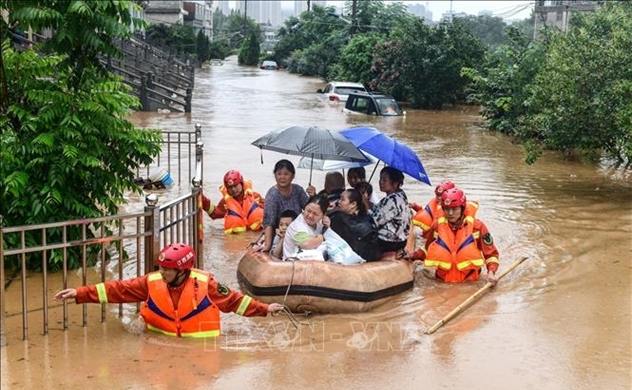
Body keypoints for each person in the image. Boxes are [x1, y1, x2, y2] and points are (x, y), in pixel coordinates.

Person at [53, 243, 284, 338]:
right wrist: (80, 293)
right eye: (161, 268)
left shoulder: (207, 284)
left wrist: (265, 308)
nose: (162, 273)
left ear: (183, 271)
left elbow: (235, 302)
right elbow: (118, 290)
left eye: (168, 270)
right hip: (157, 337)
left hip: (200, 348)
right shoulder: (151, 282)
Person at [417, 189, 499, 285]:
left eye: (454, 209)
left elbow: (491, 254)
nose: (450, 213)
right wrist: (412, 256)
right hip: (442, 282)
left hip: (469, 282)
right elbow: (427, 249)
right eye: (447, 209)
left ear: (462, 208)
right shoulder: (437, 226)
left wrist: (491, 272)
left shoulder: (477, 227)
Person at [258, 159, 309, 253]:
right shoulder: (272, 194)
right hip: (279, 232)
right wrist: (267, 245)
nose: (282, 177)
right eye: (279, 174)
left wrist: (313, 196)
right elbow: (269, 222)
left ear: (292, 176)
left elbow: (309, 210)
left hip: (297, 231)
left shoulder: (298, 190)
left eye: (286, 174)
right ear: (275, 175)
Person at [202, 170, 264, 234]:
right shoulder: (225, 202)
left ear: (241, 184)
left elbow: (269, 210)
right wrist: (202, 199)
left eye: (235, 186)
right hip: (239, 237)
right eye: (230, 187)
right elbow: (214, 214)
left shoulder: (255, 197)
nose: (233, 189)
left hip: (256, 233)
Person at [329, 188, 381, 261]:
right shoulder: (368, 218)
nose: (338, 202)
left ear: (353, 204)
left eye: (342, 199)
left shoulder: (338, 218)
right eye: (339, 199)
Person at [371, 166, 411, 259]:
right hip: (401, 239)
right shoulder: (401, 194)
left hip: (389, 242)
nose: (381, 182)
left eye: (384, 180)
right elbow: (379, 208)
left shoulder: (393, 200)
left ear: (395, 183)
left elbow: (375, 221)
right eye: (380, 179)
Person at [282, 194, 330, 260]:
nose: (310, 216)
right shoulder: (298, 225)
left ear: (323, 215)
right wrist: (320, 238)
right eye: (308, 211)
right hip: (293, 265)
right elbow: (306, 245)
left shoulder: (320, 222)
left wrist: (327, 226)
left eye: (315, 214)